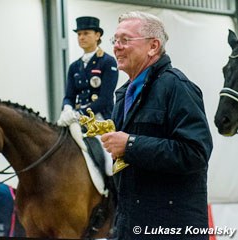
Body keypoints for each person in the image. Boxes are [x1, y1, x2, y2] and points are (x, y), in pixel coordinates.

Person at [101, 11, 213, 240]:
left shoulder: (177, 87)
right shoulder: (123, 94)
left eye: (125, 40)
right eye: (115, 40)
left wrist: (130, 145)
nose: (117, 47)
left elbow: (196, 152)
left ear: (153, 46)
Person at [57, 16, 118, 127]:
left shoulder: (108, 62)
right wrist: (67, 109)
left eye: (86, 33)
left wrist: (81, 113)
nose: (81, 37)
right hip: (78, 117)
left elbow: (105, 98)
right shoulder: (74, 66)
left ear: (97, 35)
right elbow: (69, 97)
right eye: (79, 34)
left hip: (100, 118)